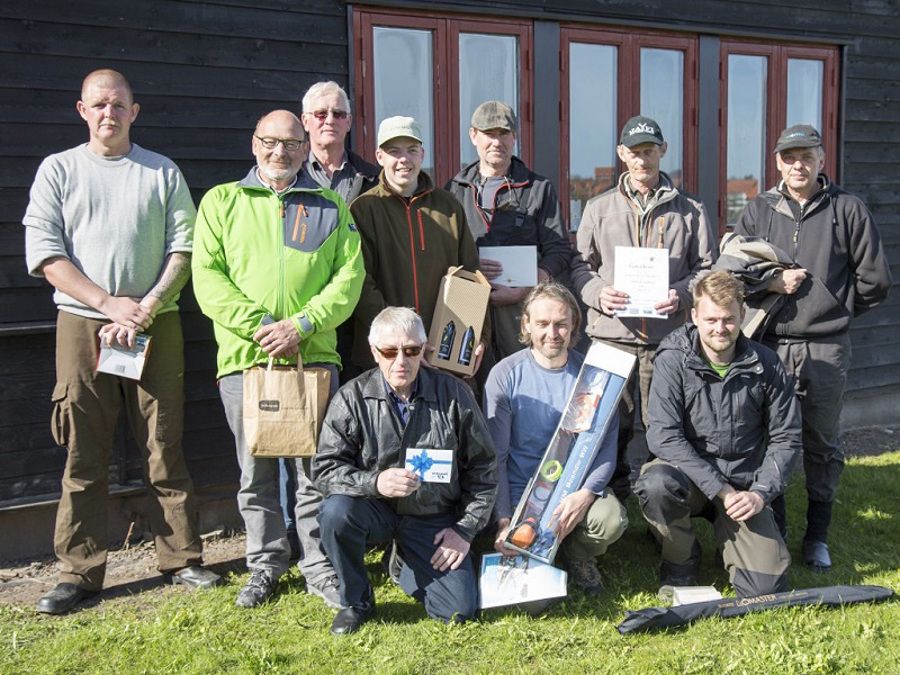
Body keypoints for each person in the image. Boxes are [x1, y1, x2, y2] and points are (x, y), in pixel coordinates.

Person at [23, 69, 221, 614]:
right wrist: (109, 305)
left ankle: (181, 558)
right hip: (83, 324)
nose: (109, 113)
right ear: (81, 110)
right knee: (84, 451)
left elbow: (186, 248)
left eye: (119, 105)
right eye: (98, 105)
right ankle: (78, 572)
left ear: (136, 111)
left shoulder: (161, 172)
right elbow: (44, 254)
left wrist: (145, 307)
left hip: (156, 323)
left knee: (164, 441)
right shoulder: (58, 170)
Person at [191, 110, 364, 608]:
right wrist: (264, 327)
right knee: (256, 472)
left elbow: (348, 279)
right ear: (254, 144)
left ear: (304, 149)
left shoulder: (329, 205)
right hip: (247, 362)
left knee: (314, 471)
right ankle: (265, 564)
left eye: (290, 144)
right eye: (270, 142)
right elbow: (209, 278)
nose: (280, 152)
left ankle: (318, 566)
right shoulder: (223, 202)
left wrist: (302, 325)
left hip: (312, 360)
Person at [733, 124, 892, 571]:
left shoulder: (848, 209)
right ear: (778, 162)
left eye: (807, 156)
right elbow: (735, 271)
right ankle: (777, 532)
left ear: (822, 159)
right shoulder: (758, 210)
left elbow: (875, 281)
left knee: (821, 441)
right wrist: (772, 282)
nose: (798, 164)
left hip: (825, 349)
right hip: (767, 346)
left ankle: (817, 535)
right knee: (769, 440)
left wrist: (832, 310)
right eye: (789, 157)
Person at [313, 307, 497, 635]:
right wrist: (375, 482)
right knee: (335, 512)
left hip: (432, 515)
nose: (401, 360)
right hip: (376, 509)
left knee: (457, 612)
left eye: (411, 350)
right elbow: (325, 470)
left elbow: (483, 466)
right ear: (374, 353)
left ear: (424, 350)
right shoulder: (351, 399)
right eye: (390, 351)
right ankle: (355, 600)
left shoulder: (454, 393)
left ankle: (403, 563)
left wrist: (464, 530)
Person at [570, 115, 717, 500]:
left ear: (662, 151)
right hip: (610, 338)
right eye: (634, 153)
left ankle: (660, 506)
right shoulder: (598, 208)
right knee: (606, 425)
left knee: (663, 425)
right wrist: (598, 292)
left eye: (649, 152)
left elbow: (707, 269)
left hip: (666, 339)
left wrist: (682, 294)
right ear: (622, 154)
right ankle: (608, 498)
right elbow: (579, 266)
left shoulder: (691, 210)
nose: (642, 161)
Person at [634, 271, 801, 597]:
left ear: (743, 315)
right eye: (710, 319)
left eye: (729, 319)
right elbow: (663, 436)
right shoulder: (673, 359)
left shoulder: (765, 364)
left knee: (764, 589)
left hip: (744, 486)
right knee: (655, 486)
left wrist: (761, 492)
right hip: (689, 478)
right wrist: (719, 489)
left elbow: (787, 437)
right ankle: (680, 562)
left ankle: (732, 541)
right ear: (694, 315)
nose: (719, 328)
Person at [274, 81, 379, 559]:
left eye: (338, 113)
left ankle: (349, 532)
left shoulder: (372, 178)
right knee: (294, 436)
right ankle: (297, 541)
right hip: (301, 334)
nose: (329, 121)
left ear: (350, 122)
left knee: (354, 434)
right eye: (319, 114)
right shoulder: (284, 176)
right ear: (305, 120)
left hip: (358, 331)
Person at [483, 282, 627, 593]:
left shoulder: (596, 377)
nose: (553, 333)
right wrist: (505, 520)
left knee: (610, 519)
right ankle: (539, 549)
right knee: (532, 601)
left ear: (575, 324)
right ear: (526, 325)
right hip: (525, 497)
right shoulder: (504, 375)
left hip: (572, 492)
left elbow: (606, 449)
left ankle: (578, 555)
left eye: (561, 324)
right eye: (543, 324)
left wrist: (586, 493)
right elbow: (497, 456)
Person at [349, 116, 487, 373]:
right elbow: (360, 283)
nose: (404, 159)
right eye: (394, 151)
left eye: (411, 150)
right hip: (388, 356)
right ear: (379, 156)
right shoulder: (363, 209)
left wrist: (476, 336)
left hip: (443, 354)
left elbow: (471, 277)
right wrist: (403, 340)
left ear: (422, 154)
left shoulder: (448, 207)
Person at [446, 101, 571, 362]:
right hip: (468, 308)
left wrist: (526, 286)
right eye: (489, 134)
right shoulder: (454, 190)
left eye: (504, 133)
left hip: (519, 313)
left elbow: (558, 251)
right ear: (473, 136)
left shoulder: (538, 189)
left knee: (522, 384)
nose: (496, 141)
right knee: (469, 385)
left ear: (514, 136)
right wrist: (470, 264)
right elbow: (444, 252)